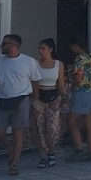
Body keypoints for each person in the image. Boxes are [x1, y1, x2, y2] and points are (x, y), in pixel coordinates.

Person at [0, 34, 40, 176]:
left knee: (17, 132)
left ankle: (14, 163)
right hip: (2, 100)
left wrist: (35, 97)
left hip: (21, 99)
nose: (1, 46)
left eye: (4, 44)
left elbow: (35, 79)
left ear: (14, 45)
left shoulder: (28, 61)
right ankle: (12, 151)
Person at [30, 38, 67, 169]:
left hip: (53, 97)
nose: (40, 51)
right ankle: (43, 156)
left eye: (43, 48)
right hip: (39, 97)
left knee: (52, 127)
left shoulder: (58, 64)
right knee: (38, 127)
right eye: (39, 48)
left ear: (50, 49)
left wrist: (64, 99)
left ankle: (51, 151)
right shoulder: (34, 64)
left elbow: (60, 84)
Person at [65, 39, 91, 162]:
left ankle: (79, 148)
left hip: (82, 92)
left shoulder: (79, 59)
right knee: (89, 123)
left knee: (72, 121)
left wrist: (73, 84)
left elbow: (79, 77)